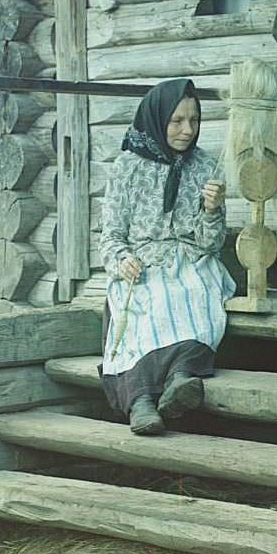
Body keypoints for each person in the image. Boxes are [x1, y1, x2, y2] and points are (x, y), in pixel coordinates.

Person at [97, 77, 236, 435]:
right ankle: (141, 403)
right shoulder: (127, 167)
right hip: (141, 264)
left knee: (193, 291)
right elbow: (111, 236)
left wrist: (212, 212)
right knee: (148, 301)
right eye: (177, 121)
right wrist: (121, 259)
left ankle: (179, 381)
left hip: (190, 261)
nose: (187, 130)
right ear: (158, 119)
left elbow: (210, 244)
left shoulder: (205, 167)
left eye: (194, 120)